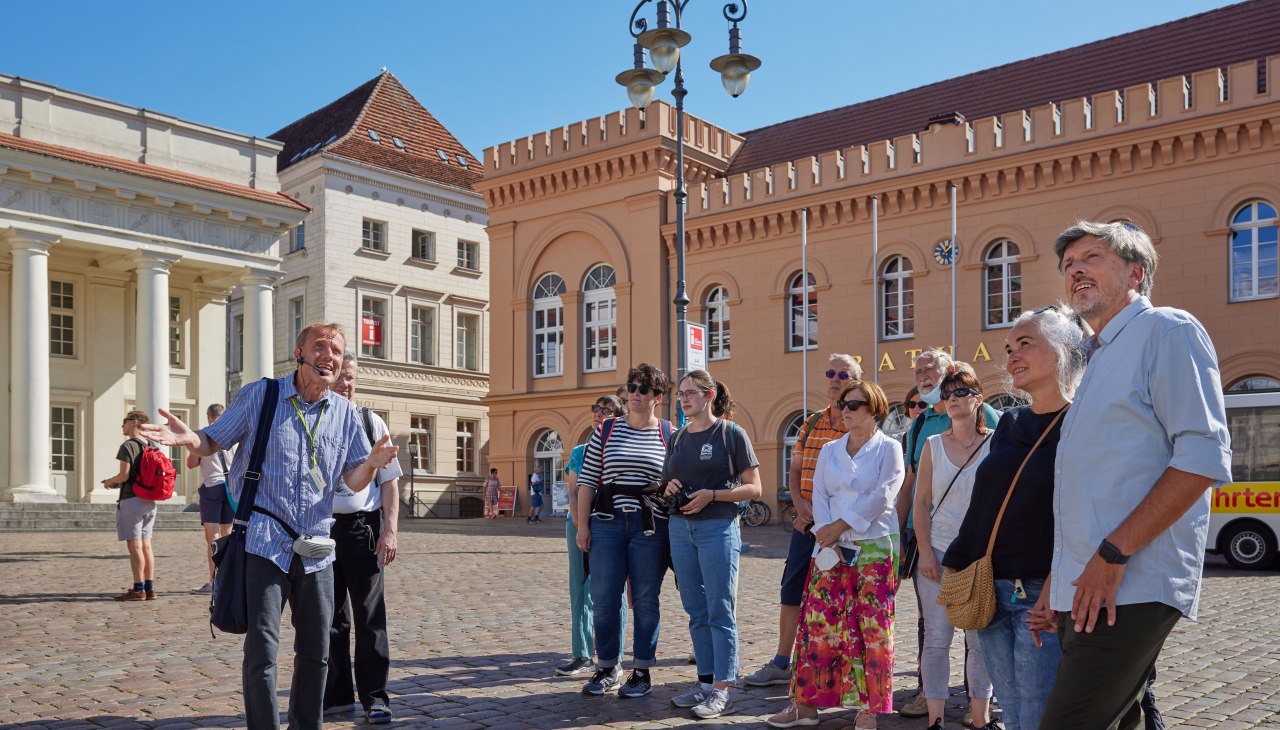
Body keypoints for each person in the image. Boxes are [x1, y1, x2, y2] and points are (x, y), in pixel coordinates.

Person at [142, 322, 398, 730]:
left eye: (336, 350)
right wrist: (192, 439)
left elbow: (351, 481)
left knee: (317, 651)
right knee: (262, 648)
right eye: (320, 347)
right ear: (299, 352)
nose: (328, 356)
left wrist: (371, 464)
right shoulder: (262, 396)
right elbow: (213, 440)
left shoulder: (347, 414)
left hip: (317, 546)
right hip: (264, 540)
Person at [1031, 221, 1231, 729]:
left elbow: (1202, 456)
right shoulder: (1098, 357)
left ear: (1135, 273)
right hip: (1088, 581)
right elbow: (1090, 488)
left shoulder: (1166, 330)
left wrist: (1113, 552)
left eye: (1091, 257)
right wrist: (1058, 582)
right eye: (1068, 263)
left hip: (1130, 581)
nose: (1075, 268)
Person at [940, 305, 1086, 730]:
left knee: (1039, 712)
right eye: (1008, 348)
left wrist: (1058, 588)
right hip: (991, 587)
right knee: (1012, 708)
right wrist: (958, 563)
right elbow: (986, 502)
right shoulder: (1011, 423)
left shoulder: (1082, 422)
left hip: (1041, 592)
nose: (1012, 357)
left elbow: (1081, 513)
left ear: (1061, 351)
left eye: (1025, 344)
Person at [766, 380, 904, 730]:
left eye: (855, 404)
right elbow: (821, 494)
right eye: (844, 403)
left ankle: (868, 708)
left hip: (874, 546)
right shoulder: (829, 449)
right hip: (828, 546)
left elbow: (883, 495)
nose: (846, 409)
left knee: (871, 627)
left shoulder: (890, 448)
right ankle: (806, 706)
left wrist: (841, 525)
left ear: (874, 409)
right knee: (819, 624)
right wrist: (826, 531)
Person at [895, 350, 1000, 721]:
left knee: (979, 641)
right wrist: (923, 552)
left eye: (962, 393)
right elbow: (921, 503)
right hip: (938, 550)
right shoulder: (932, 445)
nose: (953, 399)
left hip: (980, 554)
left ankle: (980, 718)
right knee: (937, 640)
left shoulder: (995, 444)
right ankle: (935, 720)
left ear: (978, 399)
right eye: (949, 394)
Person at [744, 354, 860, 689]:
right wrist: (799, 506)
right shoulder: (810, 423)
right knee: (792, 590)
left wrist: (825, 518)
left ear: (857, 379)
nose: (836, 379)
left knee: (838, 595)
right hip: (805, 525)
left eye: (844, 373)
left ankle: (834, 665)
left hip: (839, 528)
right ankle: (782, 661)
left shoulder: (858, 424)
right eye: (831, 373)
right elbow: (795, 472)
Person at [664, 371, 762, 719]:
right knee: (695, 609)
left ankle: (722, 689)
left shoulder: (731, 434)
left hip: (718, 527)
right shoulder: (676, 438)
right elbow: (664, 484)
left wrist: (713, 495)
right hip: (680, 529)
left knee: (720, 609)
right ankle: (704, 684)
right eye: (680, 394)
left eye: (690, 392)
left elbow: (754, 488)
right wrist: (670, 486)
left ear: (709, 395)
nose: (684, 398)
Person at [575, 363, 674, 699]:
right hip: (608, 523)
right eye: (631, 387)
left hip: (650, 525)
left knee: (646, 599)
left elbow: (678, 480)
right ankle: (607, 667)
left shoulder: (669, 434)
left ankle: (642, 670)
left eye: (643, 389)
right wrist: (582, 525)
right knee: (603, 598)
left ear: (657, 396)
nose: (634, 394)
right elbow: (587, 482)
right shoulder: (605, 431)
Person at [323, 351, 403, 723]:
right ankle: (337, 695)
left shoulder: (371, 422)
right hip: (320, 530)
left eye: (352, 377)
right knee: (329, 618)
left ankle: (375, 697)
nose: (347, 383)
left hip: (362, 529)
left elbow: (390, 484)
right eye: (341, 376)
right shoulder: (314, 419)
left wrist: (389, 531)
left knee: (370, 616)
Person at [558, 395, 628, 677]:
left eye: (607, 410)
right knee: (580, 587)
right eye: (596, 409)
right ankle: (582, 653)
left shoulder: (622, 449)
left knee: (614, 591)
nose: (599, 414)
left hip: (612, 524)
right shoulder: (580, 451)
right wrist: (580, 525)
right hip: (578, 523)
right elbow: (573, 491)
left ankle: (615, 655)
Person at [104, 410, 158, 601]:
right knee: (146, 546)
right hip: (149, 501)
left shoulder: (128, 446)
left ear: (134, 422)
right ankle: (150, 588)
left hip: (131, 500)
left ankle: (138, 589)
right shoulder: (151, 445)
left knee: (135, 546)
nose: (122, 426)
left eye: (124, 422)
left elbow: (124, 476)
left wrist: (110, 481)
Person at [189, 404, 236, 594]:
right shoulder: (234, 434)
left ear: (208, 416)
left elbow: (191, 463)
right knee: (229, 534)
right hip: (232, 487)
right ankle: (231, 579)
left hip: (212, 487)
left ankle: (214, 581)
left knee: (213, 536)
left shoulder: (204, 434)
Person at [900, 387, 926, 454]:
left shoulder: (939, 435)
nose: (916, 408)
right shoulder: (900, 439)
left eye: (922, 404)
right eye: (912, 404)